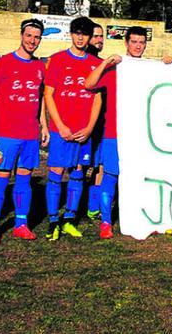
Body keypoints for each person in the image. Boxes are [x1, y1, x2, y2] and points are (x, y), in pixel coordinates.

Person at [0, 19, 49, 245]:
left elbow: (40, 98)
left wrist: (44, 124)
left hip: (30, 134)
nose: (32, 41)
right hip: (6, 134)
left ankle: (21, 224)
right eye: (29, 35)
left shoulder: (40, 67)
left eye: (37, 37)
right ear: (21, 35)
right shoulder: (3, 63)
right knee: (1, 178)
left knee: (24, 180)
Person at [84, 26, 148, 239]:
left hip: (139, 135)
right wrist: (105, 63)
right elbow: (89, 84)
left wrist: (167, 63)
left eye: (141, 42)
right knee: (110, 175)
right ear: (126, 43)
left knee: (139, 176)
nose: (138, 46)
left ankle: (139, 216)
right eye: (134, 42)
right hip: (114, 132)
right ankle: (106, 222)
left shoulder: (151, 70)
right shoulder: (114, 70)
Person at [43, 17, 103, 240]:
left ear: (89, 37)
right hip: (62, 130)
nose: (80, 37)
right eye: (77, 32)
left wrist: (89, 128)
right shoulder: (57, 60)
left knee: (78, 173)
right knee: (56, 173)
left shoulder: (95, 64)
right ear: (71, 33)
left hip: (82, 131)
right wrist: (59, 126)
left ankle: (69, 219)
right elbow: (48, 95)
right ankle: (52, 222)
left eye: (85, 34)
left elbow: (98, 99)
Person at [86, 22, 105, 219]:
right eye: (96, 36)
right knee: (79, 167)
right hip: (80, 124)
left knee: (100, 165)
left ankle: (93, 206)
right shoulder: (82, 62)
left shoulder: (102, 64)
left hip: (100, 124)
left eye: (101, 37)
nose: (99, 40)